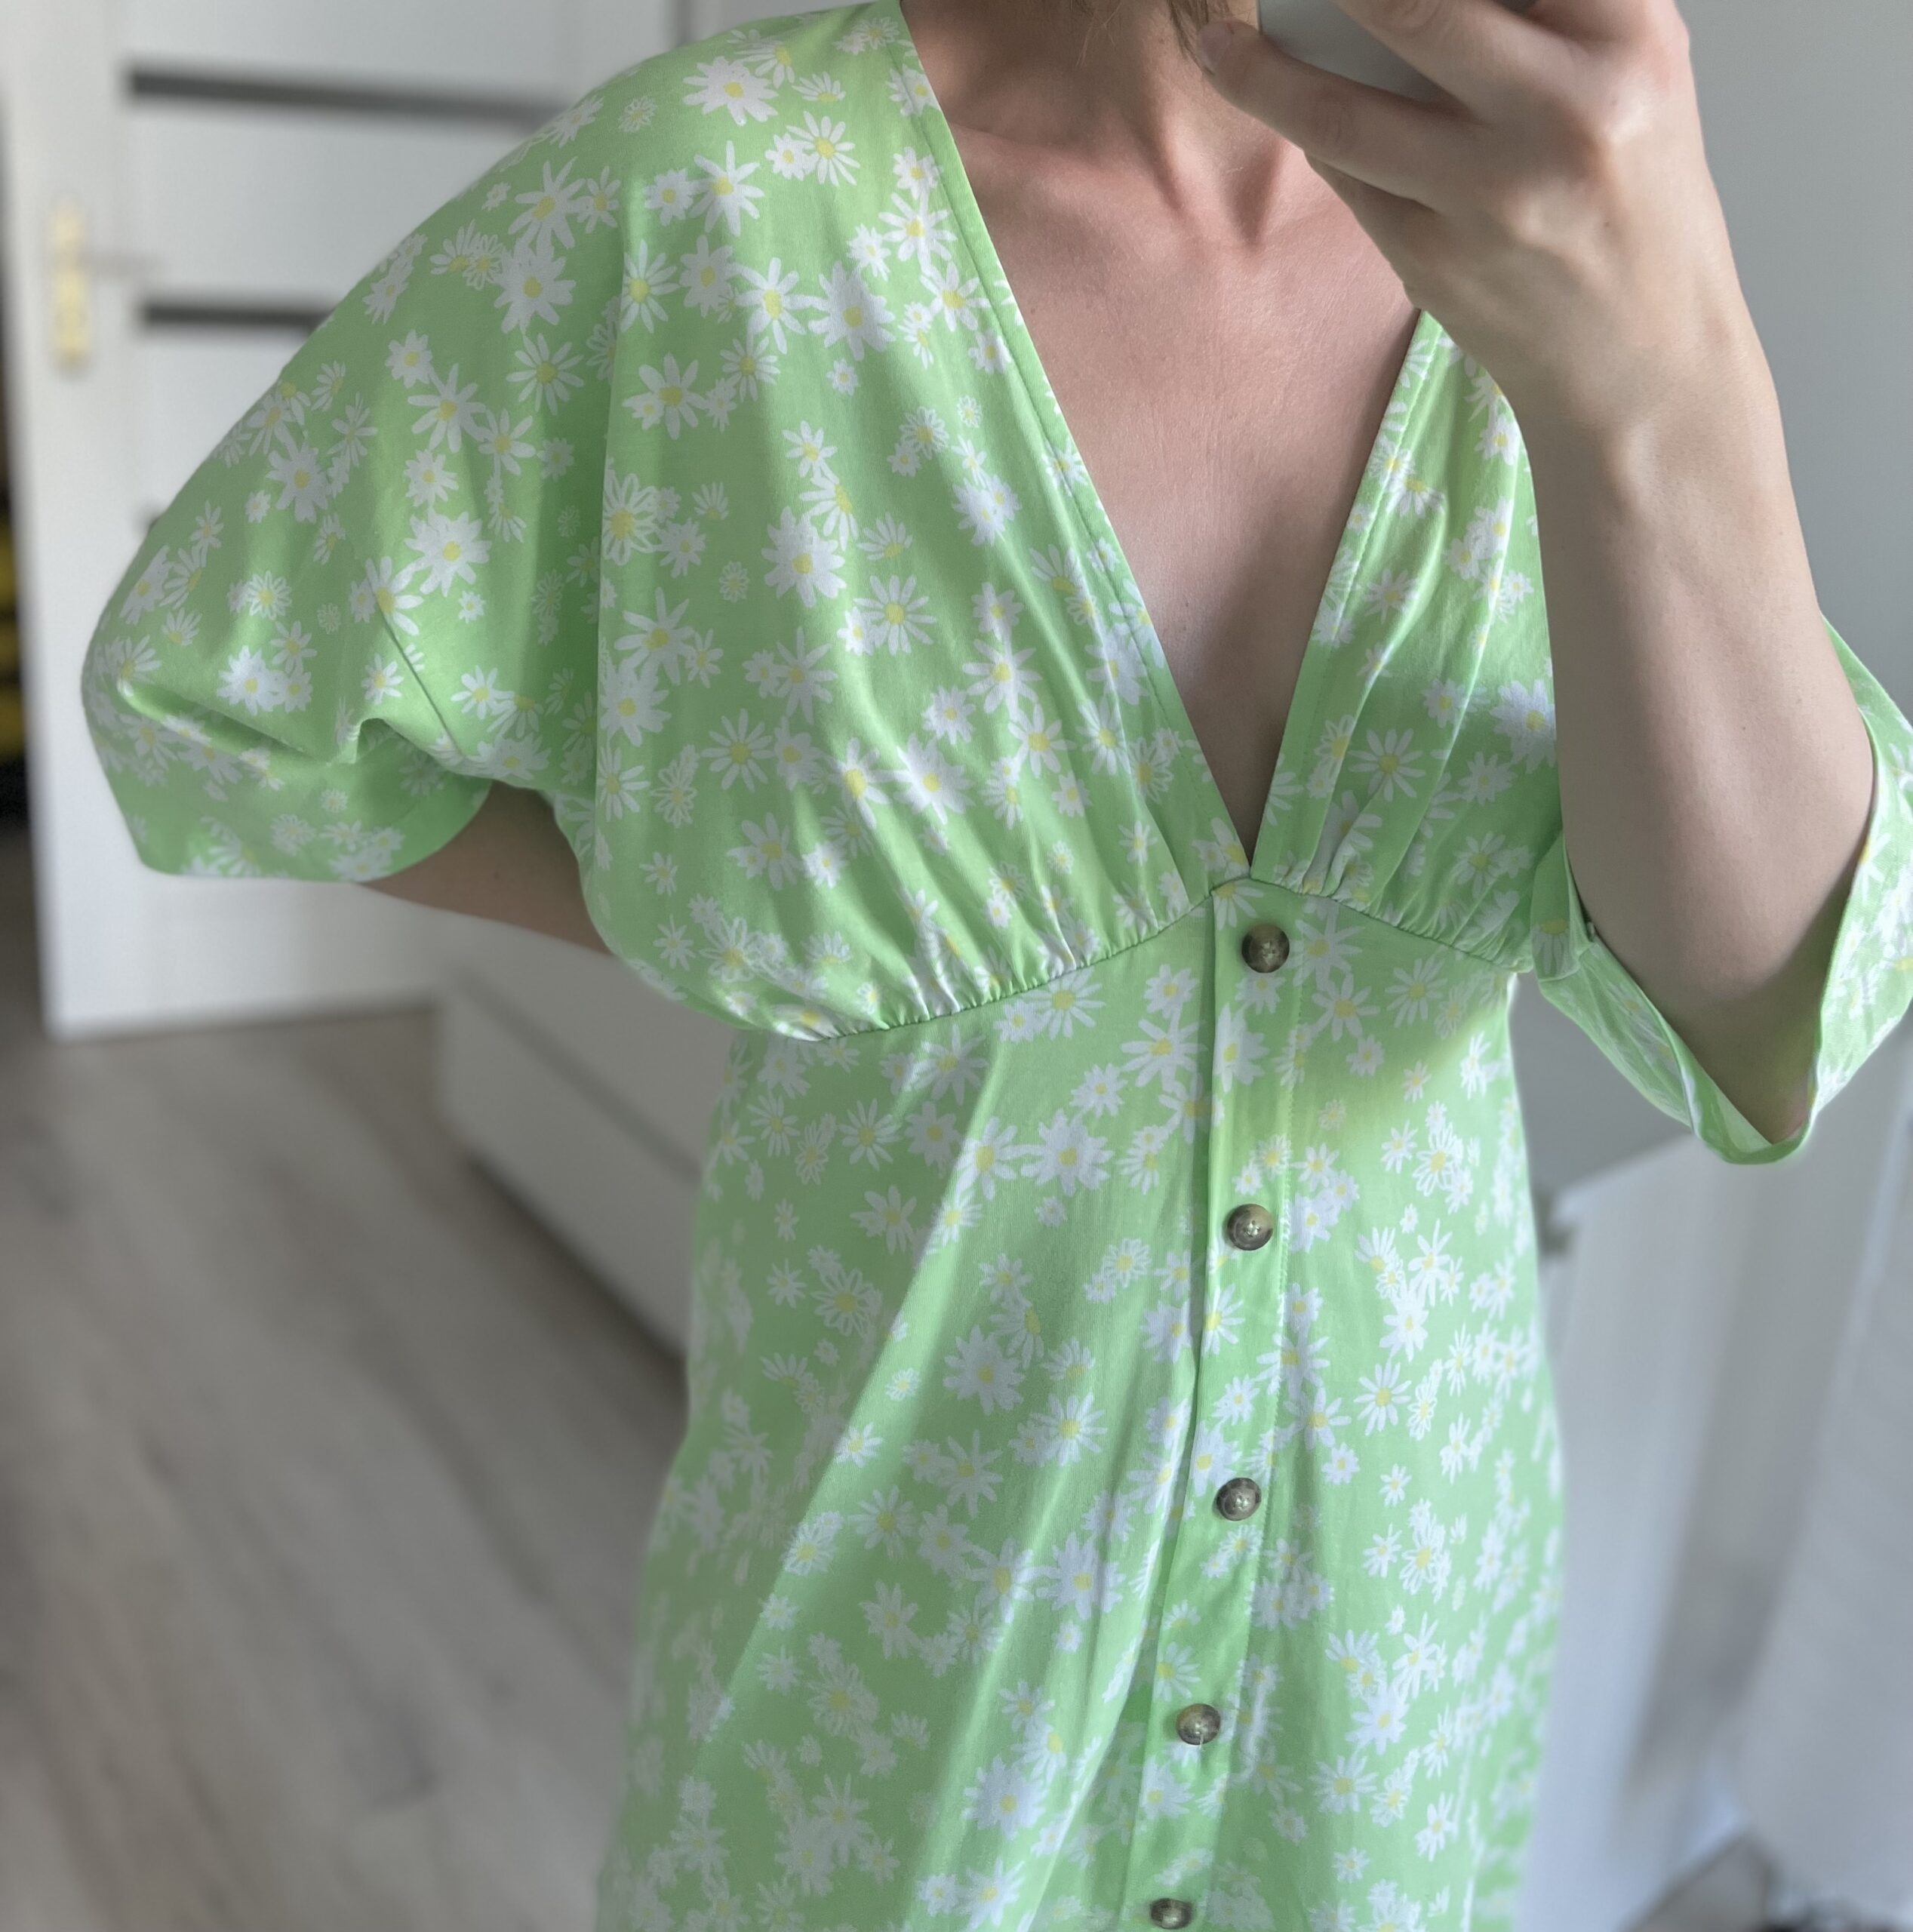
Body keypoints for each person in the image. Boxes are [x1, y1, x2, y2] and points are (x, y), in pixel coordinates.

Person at [77, 0, 1913, 1925]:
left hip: (1385, 1669)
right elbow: (214, 701)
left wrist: (1660, 385)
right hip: (894, 1707)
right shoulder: (707, 215)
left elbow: (1762, 1009)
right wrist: (702, 888)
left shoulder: (1562, 225)